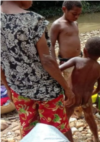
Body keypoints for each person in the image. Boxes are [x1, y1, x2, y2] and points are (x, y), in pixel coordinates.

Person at [0, 0, 75, 141]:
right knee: (58, 129)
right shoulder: (33, 20)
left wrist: (8, 87)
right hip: (46, 91)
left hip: (18, 90)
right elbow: (47, 60)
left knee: (29, 130)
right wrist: (66, 88)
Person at [59, 37, 100, 142]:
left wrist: (64, 87)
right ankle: (96, 137)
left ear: (85, 50)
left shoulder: (76, 60)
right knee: (89, 117)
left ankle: (67, 139)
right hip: (86, 99)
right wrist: (90, 94)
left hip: (71, 97)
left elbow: (58, 70)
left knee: (65, 120)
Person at [50, 0, 82, 82]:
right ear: (64, 9)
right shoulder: (57, 25)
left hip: (79, 58)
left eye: (79, 14)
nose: (76, 17)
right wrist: (54, 63)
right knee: (70, 83)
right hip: (67, 61)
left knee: (80, 81)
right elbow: (51, 45)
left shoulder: (75, 23)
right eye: (74, 14)